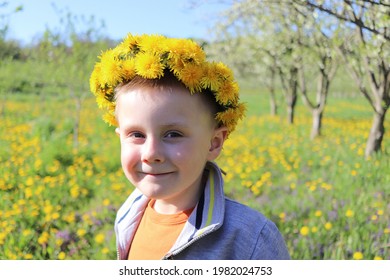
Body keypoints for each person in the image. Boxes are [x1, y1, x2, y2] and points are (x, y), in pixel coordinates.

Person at [89, 34, 290, 260]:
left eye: (173, 134)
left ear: (214, 143)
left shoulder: (250, 239)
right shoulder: (128, 216)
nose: (151, 154)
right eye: (137, 134)